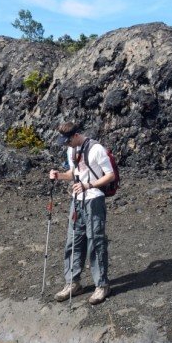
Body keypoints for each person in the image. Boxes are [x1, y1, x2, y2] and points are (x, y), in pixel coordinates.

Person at [49, 122, 115, 305]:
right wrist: (59, 176)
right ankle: (73, 283)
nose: (66, 144)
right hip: (76, 201)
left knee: (95, 241)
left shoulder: (96, 149)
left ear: (76, 135)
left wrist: (89, 185)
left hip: (94, 200)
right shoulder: (71, 150)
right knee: (73, 240)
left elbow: (110, 175)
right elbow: (74, 173)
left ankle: (102, 285)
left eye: (68, 140)